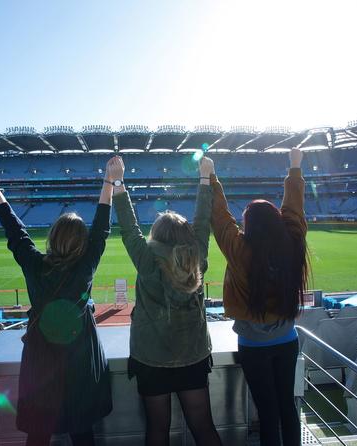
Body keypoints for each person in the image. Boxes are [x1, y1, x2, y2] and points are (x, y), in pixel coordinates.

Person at [0, 152, 114, 446]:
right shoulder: (85, 268)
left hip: (40, 362)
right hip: (80, 365)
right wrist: (110, 179)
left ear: (52, 238)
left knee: (38, 434)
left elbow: (10, 222)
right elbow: (102, 227)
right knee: (82, 433)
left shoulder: (34, 265)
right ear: (82, 243)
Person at [110, 155, 222, 446]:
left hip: (151, 359)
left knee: (157, 430)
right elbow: (203, 220)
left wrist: (118, 182)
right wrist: (205, 178)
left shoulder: (147, 259)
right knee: (203, 426)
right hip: (193, 356)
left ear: (157, 236)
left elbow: (129, 229)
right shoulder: (197, 255)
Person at [209, 148, 309, 446]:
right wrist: (294, 168)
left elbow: (220, 219)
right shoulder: (292, 243)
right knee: (287, 407)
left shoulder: (240, 252)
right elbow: (294, 209)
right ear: (277, 221)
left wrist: (211, 177)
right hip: (287, 339)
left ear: (250, 225)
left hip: (253, 345)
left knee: (267, 411)